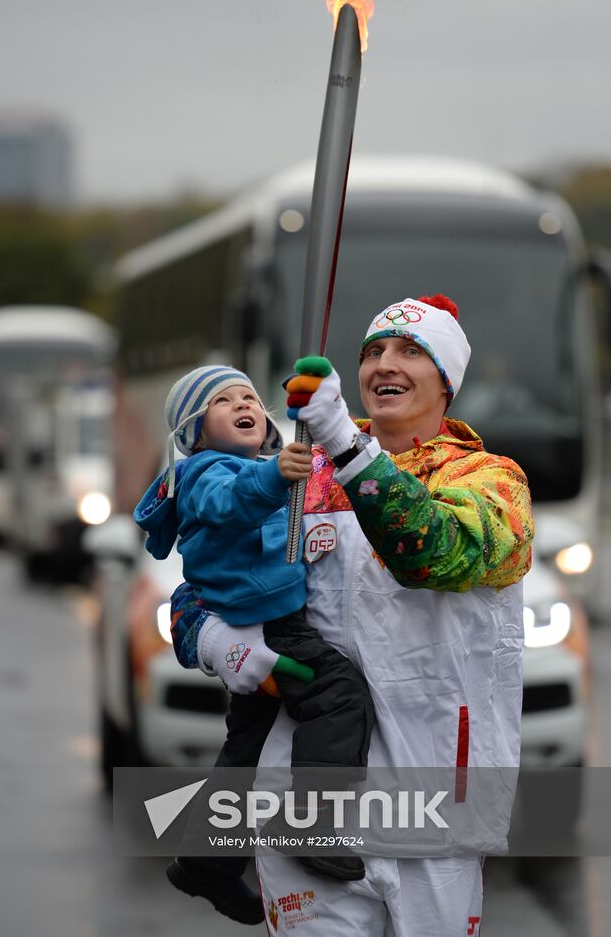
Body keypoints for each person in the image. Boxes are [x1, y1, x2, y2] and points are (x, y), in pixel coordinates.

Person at [194, 295, 534, 935]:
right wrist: (208, 636)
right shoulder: (300, 478)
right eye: (373, 351)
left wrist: (348, 446)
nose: (386, 363)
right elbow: (209, 567)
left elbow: (433, 552)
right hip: (305, 797)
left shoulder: (492, 483)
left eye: (410, 351)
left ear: (447, 380)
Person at [133, 365, 375, 925]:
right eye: (223, 401)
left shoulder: (265, 466)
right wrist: (274, 479)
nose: (243, 403)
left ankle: (204, 862)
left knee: (245, 752)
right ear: (194, 432)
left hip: (274, 620)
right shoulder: (203, 473)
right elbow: (231, 501)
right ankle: (313, 820)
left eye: (248, 396)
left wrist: (303, 427)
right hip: (267, 628)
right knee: (339, 694)